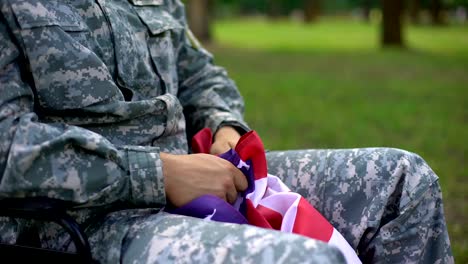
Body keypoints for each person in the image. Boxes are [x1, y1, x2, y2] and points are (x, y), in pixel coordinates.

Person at [0, 0, 453, 263]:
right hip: (88, 223)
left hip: (205, 179)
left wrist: (224, 126)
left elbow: (201, 76)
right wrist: (160, 174)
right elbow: (8, 148)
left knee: (403, 181)